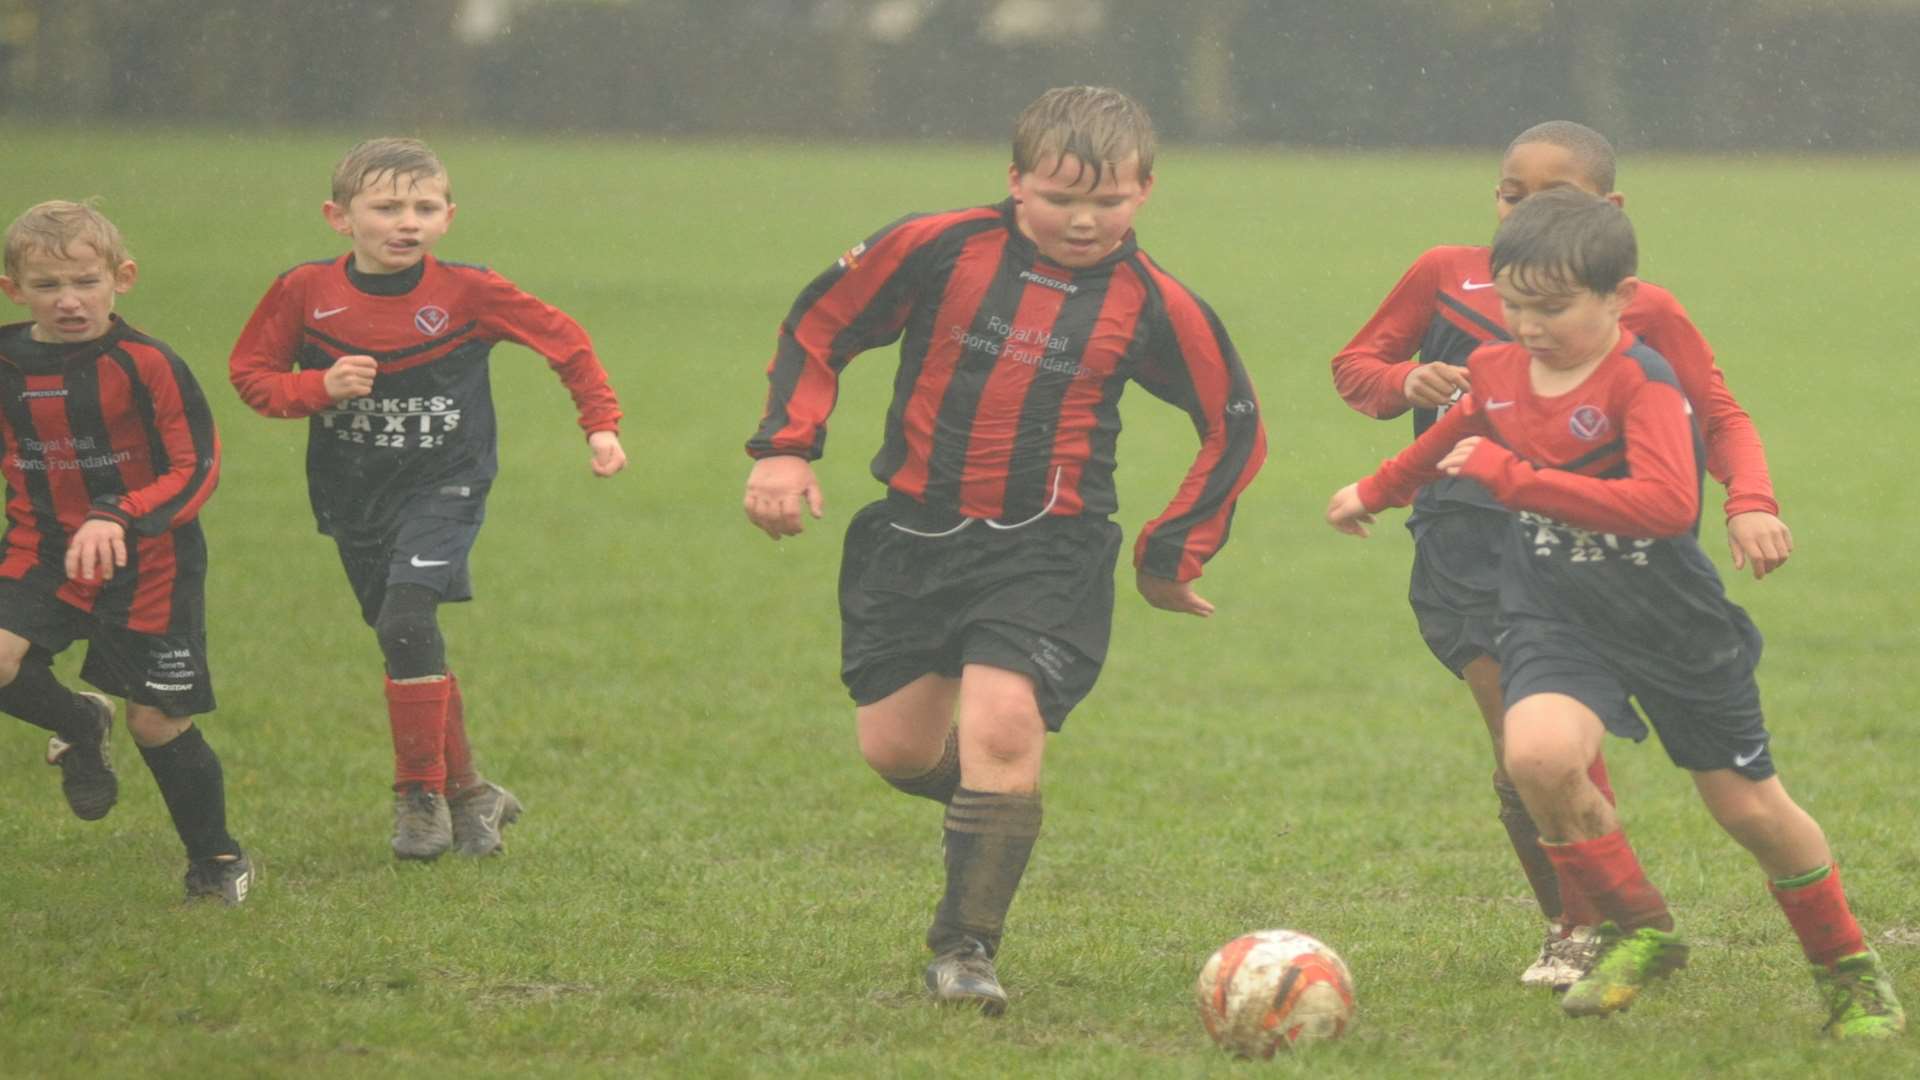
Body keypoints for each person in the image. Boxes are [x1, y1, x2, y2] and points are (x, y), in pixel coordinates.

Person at [1326, 187, 1903, 1038]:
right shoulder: (1496, 369)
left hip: (1666, 618)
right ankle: (1643, 930)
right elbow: (1452, 434)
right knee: (1538, 756)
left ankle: (1849, 969)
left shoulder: (1642, 381)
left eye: (1552, 308)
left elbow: (1666, 506)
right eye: (1516, 305)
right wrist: (1374, 490)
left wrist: (1516, 482)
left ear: (1619, 299)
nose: (1529, 326)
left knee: (1748, 809)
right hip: (1553, 610)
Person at [743, 86, 1266, 1016]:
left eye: (1108, 201)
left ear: (1146, 189)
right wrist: (786, 446)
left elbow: (1234, 425)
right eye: (1060, 197)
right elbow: (821, 324)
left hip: (1048, 547)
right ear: (1014, 179)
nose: (1083, 219)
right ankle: (996, 813)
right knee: (897, 751)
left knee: (1002, 725)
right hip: (911, 537)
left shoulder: (1154, 303)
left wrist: (1168, 551)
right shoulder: (937, 246)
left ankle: (966, 948)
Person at [229, 138, 627, 861]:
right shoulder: (304, 291)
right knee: (401, 636)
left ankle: (417, 795)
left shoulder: (469, 291)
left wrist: (600, 425)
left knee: (408, 614)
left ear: (448, 216)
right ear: (338, 217)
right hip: (352, 491)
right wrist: (316, 388)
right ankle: (473, 792)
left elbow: (565, 341)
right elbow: (251, 374)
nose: (405, 221)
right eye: (385, 207)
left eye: (423, 207)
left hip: (448, 482)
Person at [0, 200, 252, 904]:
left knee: (156, 720)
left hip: (149, 558)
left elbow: (195, 466)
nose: (70, 300)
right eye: (48, 286)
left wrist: (119, 513)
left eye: (85, 281)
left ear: (122, 278)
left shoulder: (147, 364)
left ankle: (217, 859)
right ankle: (79, 722)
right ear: (13, 290)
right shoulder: (5, 361)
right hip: (41, 546)